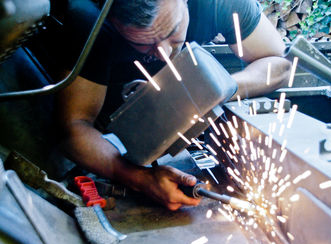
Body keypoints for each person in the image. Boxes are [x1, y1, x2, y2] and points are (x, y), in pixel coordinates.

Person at [53, 0, 291, 210]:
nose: (165, 55)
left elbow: (279, 65)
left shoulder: (220, 3)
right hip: (115, 133)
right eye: (145, 44)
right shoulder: (90, 18)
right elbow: (73, 127)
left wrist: (214, 89)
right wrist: (140, 179)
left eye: (172, 32)